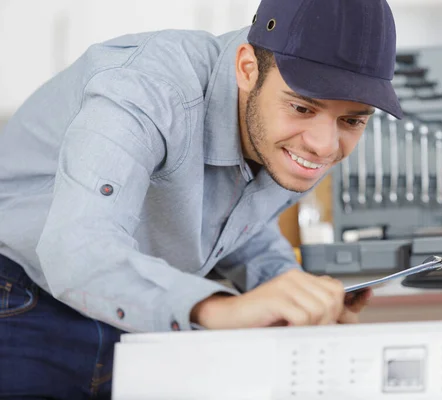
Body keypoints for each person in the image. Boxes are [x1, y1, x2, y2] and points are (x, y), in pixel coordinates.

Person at [0, 0, 402, 398]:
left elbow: (230, 223)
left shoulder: (284, 136)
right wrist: (217, 310)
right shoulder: (145, 90)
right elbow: (75, 250)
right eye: (302, 107)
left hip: (143, 307)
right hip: (22, 296)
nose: (323, 145)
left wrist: (292, 293)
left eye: (351, 120)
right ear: (247, 68)